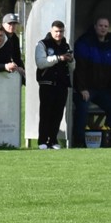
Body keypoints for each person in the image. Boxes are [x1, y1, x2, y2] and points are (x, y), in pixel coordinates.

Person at [72, 17, 111, 148]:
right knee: (82, 108)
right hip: (86, 88)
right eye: (101, 25)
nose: (103, 28)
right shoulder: (84, 43)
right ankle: (79, 141)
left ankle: (108, 138)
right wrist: (82, 88)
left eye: (106, 26)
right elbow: (80, 68)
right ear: (95, 26)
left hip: (103, 89)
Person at [35, 20, 74, 150]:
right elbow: (41, 63)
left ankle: (53, 140)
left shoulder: (66, 45)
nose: (58, 34)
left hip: (62, 84)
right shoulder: (43, 44)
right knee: (46, 113)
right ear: (51, 31)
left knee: (58, 114)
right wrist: (59, 58)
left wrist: (71, 60)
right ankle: (42, 140)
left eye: (61, 31)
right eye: (56, 31)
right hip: (47, 83)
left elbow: (72, 68)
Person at [0, 13, 26, 83]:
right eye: (9, 24)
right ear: (3, 24)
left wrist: (21, 68)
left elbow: (17, 56)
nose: (12, 26)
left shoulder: (15, 38)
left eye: (14, 24)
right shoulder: (0, 37)